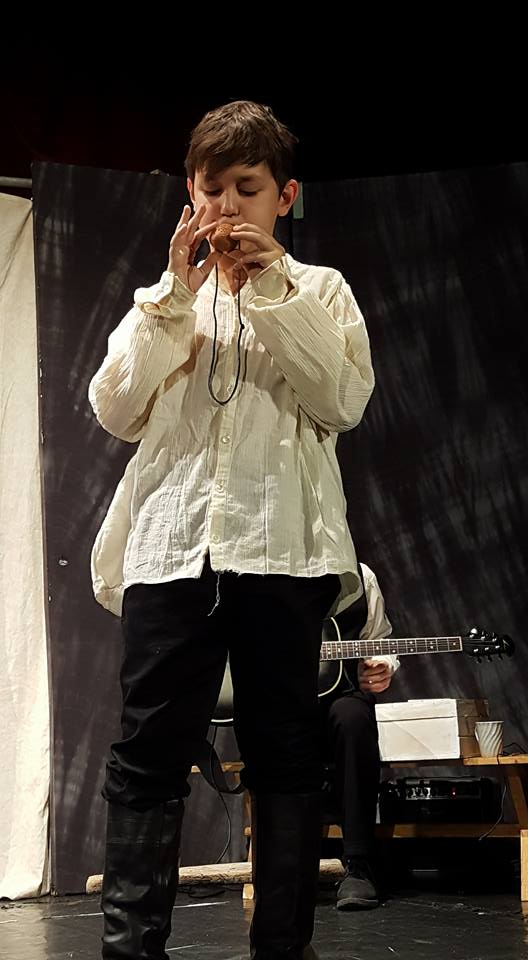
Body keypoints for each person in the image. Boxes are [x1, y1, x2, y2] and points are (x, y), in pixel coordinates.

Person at [88, 100, 375, 960]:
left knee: (285, 751)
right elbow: (114, 409)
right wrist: (174, 298)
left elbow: (341, 400)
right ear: (190, 192)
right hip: (170, 552)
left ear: (284, 196)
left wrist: (275, 290)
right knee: (148, 751)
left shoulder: (321, 290)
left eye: (246, 188)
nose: (227, 207)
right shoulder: (164, 300)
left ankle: (282, 949)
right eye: (212, 189)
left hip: (279, 552)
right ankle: (130, 951)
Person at [320, 562, 399, 910]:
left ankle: (358, 864)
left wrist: (382, 666)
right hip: (281, 699)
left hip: (341, 694)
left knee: (353, 717)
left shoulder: (359, 576)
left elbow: (378, 641)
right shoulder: (268, 570)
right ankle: (283, 865)